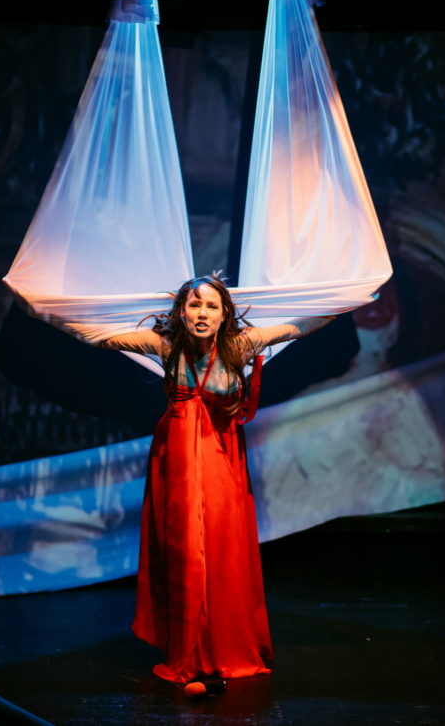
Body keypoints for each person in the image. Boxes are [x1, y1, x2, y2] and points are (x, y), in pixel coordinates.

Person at [95, 273, 334, 684]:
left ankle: (223, 642)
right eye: (195, 305)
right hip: (176, 460)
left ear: (224, 314)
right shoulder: (165, 347)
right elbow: (98, 336)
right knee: (185, 547)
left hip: (221, 459)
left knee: (222, 547)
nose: (203, 313)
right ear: (182, 312)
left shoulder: (239, 346)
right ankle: (187, 646)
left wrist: (350, 298)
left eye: (211, 306)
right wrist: (43, 308)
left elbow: (301, 326)